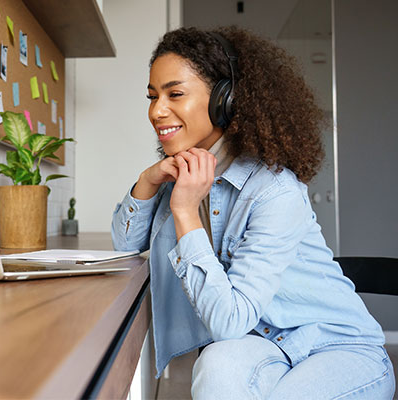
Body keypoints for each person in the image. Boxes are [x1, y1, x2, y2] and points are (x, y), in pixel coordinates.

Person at [111, 26, 396, 399]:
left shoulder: (274, 191)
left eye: (174, 94)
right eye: (152, 96)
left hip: (336, 347)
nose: (156, 111)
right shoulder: (184, 173)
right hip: (263, 345)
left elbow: (229, 320)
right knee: (216, 367)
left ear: (224, 99)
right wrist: (147, 182)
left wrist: (184, 211)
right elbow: (125, 242)